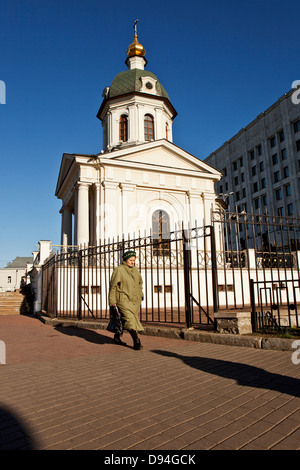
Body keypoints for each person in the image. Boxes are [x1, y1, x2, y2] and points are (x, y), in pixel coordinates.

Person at [108, 250, 144, 350]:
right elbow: (113, 286)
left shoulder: (136, 270)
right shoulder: (119, 270)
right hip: (123, 299)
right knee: (130, 319)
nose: (132, 262)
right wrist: (112, 301)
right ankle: (136, 340)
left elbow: (140, 283)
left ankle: (116, 337)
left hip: (135, 301)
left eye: (134, 260)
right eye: (130, 260)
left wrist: (140, 294)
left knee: (125, 320)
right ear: (125, 260)